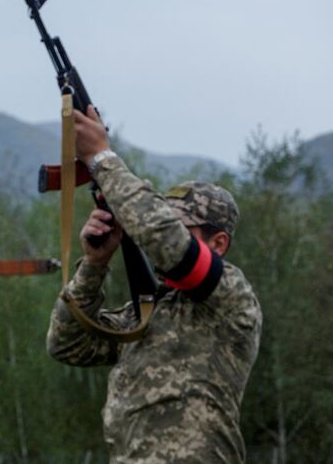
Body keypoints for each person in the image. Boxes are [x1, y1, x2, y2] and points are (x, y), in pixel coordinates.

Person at [47, 108, 262, 462]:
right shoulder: (146, 311)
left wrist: (102, 158)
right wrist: (94, 264)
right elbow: (66, 344)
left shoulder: (232, 297)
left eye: (185, 228)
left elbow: (164, 239)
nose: (151, 237)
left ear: (218, 244)